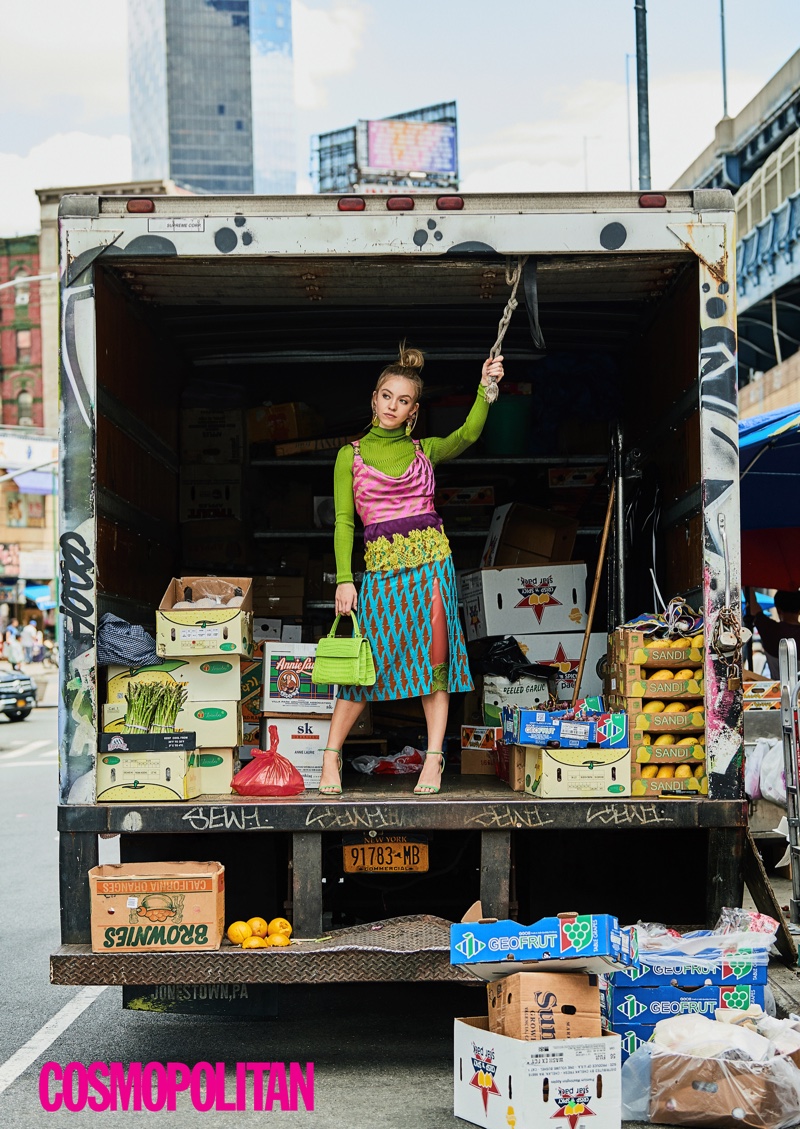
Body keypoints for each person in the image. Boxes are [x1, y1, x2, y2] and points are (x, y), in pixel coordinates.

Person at [319, 344, 504, 796]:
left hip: (432, 568)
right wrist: (346, 578)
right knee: (366, 665)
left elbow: (469, 434)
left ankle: (435, 759)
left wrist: (486, 387)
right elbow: (345, 522)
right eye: (386, 396)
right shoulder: (351, 455)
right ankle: (330, 757)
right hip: (381, 571)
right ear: (374, 399)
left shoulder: (427, 451)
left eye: (402, 401)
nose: (392, 406)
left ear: (413, 411)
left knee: (434, 662)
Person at [748, 589, 800, 678]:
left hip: (777, 688)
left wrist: (749, 587)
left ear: (778, 610)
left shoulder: (770, 630)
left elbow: (754, 610)